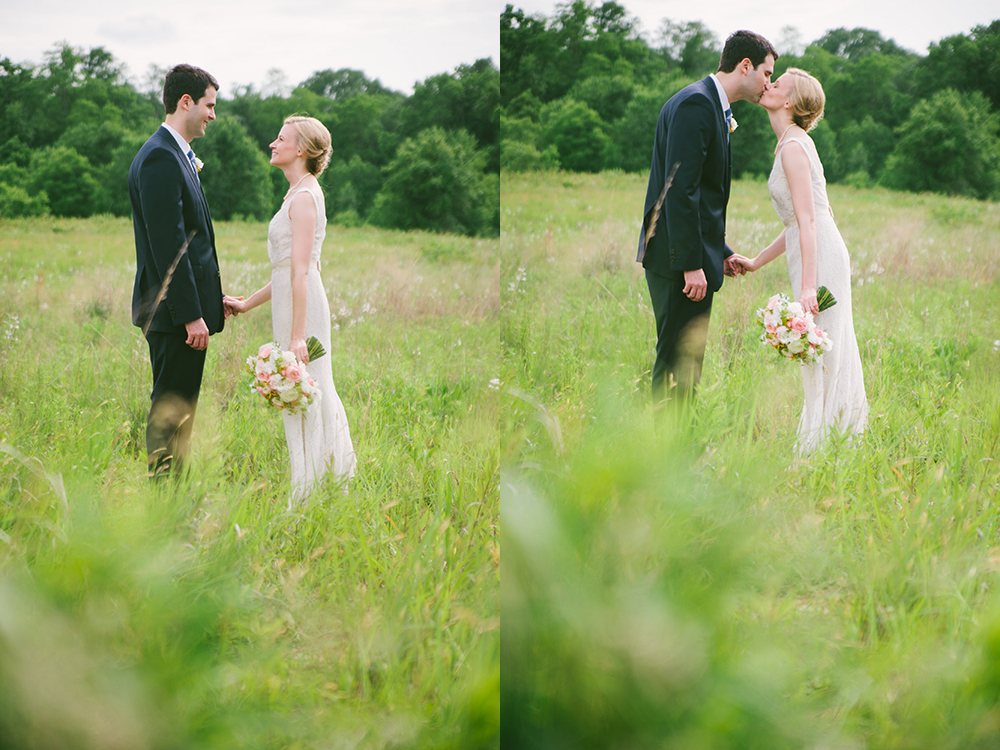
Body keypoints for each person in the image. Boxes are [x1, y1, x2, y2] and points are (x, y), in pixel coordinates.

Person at [733, 68, 868, 454]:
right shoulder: (791, 143)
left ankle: (825, 446)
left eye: (777, 84)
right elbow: (797, 222)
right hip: (810, 246)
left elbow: (809, 220)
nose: (768, 85)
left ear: (789, 102)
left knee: (824, 345)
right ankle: (824, 441)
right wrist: (758, 260)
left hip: (819, 254)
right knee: (821, 346)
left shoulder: (794, 147)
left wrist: (809, 285)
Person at [638, 30, 776, 406]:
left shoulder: (709, 104)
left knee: (687, 364)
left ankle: (679, 446)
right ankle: (665, 451)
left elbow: (699, 195)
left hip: (689, 255)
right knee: (675, 362)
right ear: (745, 66)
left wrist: (720, 251)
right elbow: (680, 190)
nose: (769, 83)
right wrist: (691, 265)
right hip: (677, 262)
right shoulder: (697, 105)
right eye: (766, 73)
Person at [225, 116, 356, 502]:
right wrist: (247, 304)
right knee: (304, 394)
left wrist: (299, 335)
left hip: (303, 310)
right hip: (291, 301)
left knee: (307, 393)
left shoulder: (302, 198)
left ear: (300, 150)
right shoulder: (298, 192)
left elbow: (302, 271)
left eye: (280, 139)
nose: (272, 143)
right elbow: (286, 271)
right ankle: (317, 487)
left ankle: (311, 493)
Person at [129, 64, 225, 477]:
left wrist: (209, 300)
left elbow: (191, 241)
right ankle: (165, 514)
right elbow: (170, 247)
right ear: (185, 102)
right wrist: (190, 314)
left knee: (181, 415)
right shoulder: (159, 159)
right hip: (175, 319)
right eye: (209, 105)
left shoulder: (175, 155)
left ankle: (173, 509)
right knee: (171, 416)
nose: (213, 115)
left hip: (182, 315)